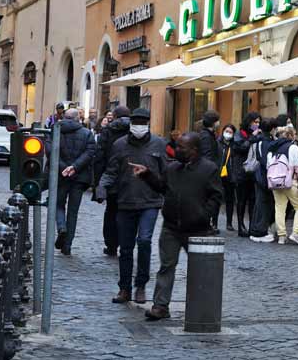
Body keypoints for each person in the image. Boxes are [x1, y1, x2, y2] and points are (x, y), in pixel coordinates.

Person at [129, 132, 224, 321]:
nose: (177, 149)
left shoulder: (208, 169)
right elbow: (162, 187)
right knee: (166, 267)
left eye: (181, 147)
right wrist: (146, 174)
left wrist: (203, 215)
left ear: (194, 151)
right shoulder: (172, 168)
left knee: (200, 269)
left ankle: (203, 307)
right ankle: (160, 306)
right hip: (171, 227)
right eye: (177, 145)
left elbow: (216, 195)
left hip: (198, 229)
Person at [96, 107, 168, 305]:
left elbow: (167, 172)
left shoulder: (159, 144)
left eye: (143, 123)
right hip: (125, 201)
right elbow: (111, 170)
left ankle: (141, 285)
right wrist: (102, 186)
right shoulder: (119, 145)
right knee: (125, 248)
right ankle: (124, 288)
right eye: (136, 123)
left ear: (148, 124)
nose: (139, 126)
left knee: (144, 241)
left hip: (150, 202)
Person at [53, 108, 98, 256]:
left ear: (64, 117)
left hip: (61, 175)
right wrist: (75, 167)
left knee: (58, 204)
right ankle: (67, 245)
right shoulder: (86, 133)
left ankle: (61, 227)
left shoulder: (56, 130)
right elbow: (90, 153)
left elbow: (50, 150)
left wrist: (64, 168)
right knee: (73, 211)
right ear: (78, 118)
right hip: (79, 177)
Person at [95, 106, 130, 257]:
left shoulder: (108, 130)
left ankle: (111, 245)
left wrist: (97, 181)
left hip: (112, 176)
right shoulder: (134, 130)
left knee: (111, 211)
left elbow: (100, 155)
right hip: (130, 177)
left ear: (114, 116)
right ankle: (125, 244)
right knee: (128, 213)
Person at [266, 126, 298, 245]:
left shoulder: (272, 149)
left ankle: (281, 236)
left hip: (275, 183)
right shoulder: (293, 148)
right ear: (290, 136)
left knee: (279, 208)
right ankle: (296, 233)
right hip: (291, 182)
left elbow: (268, 167)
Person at [249, 117, 278, 243]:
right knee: (264, 204)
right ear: (272, 129)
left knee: (261, 203)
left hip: (260, 175)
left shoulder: (260, 141)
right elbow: (266, 161)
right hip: (265, 176)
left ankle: (257, 230)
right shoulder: (266, 142)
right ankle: (259, 231)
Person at [232, 112, 260, 237]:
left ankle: (251, 226)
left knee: (252, 200)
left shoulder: (255, 134)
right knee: (241, 200)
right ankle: (240, 225)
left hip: (253, 172)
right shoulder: (239, 134)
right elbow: (241, 148)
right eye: (255, 122)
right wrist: (251, 138)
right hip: (241, 171)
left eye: (258, 122)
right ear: (249, 122)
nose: (257, 124)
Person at [218, 123, 238, 232]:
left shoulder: (234, 145)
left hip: (230, 175)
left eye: (230, 132)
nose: (228, 134)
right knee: (216, 199)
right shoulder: (218, 143)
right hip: (219, 174)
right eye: (226, 131)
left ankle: (229, 223)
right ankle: (214, 223)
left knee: (230, 200)